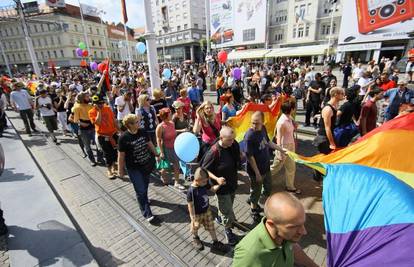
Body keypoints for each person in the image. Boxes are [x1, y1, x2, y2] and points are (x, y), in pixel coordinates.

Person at [233, 192, 318, 267]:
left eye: (302, 223)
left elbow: (292, 248)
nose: (304, 232)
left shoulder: (286, 235)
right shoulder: (248, 255)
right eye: (293, 227)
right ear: (271, 224)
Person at [201, 126, 241, 245]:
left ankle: (221, 217)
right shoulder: (213, 152)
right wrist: (216, 179)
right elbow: (204, 169)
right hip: (222, 188)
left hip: (232, 183)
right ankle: (228, 231)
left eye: (233, 139)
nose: (232, 142)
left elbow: (236, 158)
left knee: (229, 205)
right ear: (221, 138)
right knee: (227, 210)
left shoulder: (233, 145)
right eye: (229, 140)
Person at [118, 114, 159, 223]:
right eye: (136, 122)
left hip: (146, 164)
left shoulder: (142, 132)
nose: (139, 123)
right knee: (140, 190)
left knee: (144, 187)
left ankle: (144, 199)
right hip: (134, 168)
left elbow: (149, 143)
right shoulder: (123, 138)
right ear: (129, 125)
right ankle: (147, 213)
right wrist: (120, 170)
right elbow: (121, 156)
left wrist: (156, 154)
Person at [245, 111, 285, 222]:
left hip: (266, 166)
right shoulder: (249, 136)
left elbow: (268, 142)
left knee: (267, 188)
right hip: (255, 171)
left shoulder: (263, 129)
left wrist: (280, 149)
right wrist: (257, 173)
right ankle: (253, 209)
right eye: (252, 123)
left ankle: (255, 199)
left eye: (257, 123)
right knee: (256, 190)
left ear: (263, 122)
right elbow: (250, 157)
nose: (254, 125)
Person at [187, 167, 228, 253]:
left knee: (211, 226)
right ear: (197, 180)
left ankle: (215, 242)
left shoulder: (203, 184)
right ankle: (196, 238)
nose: (206, 183)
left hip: (206, 210)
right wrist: (193, 218)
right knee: (195, 227)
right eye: (204, 182)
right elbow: (190, 206)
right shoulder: (191, 191)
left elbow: (212, 189)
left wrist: (220, 184)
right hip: (197, 214)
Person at [271, 101, 300, 194]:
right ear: (291, 109)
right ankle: (262, 179)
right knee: (276, 167)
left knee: (291, 167)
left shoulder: (289, 117)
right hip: (284, 147)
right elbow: (278, 138)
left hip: (291, 145)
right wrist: (279, 152)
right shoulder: (282, 122)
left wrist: (295, 123)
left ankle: (290, 187)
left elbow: (294, 124)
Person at [89, 95, 119, 179]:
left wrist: (120, 130)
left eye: (102, 103)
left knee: (115, 152)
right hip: (103, 136)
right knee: (107, 154)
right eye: (98, 104)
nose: (101, 105)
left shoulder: (108, 108)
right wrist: (99, 112)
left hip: (113, 134)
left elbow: (114, 120)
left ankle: (114, 166)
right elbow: (97, 123)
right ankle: (109, 170)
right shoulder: (91, 112)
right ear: (94, 104)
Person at [155, 108, 185, 189]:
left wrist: (182, 131)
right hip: (165, 148)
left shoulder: (172, 123)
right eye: (170, 114)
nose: (172, 115)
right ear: (165, 116)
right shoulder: (160, 127)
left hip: (174, 148)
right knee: (165, 167)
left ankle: (177, 182)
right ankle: (163, 176)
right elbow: (158, 139)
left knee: (176, 165)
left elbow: (173, 132)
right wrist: (161, 152)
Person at [73, 92, 102, 166]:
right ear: (82, 98)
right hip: (83, 129)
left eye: (89, 96)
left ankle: (100, 158)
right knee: (87, 145)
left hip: (92, 126)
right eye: (87, 97)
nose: (89, 98)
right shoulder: (77, 107)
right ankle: (92, 160)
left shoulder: (90, 105)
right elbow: (76, 120)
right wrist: (82, 124)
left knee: (98, 143)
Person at [315, 87, 345, 154]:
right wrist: (332, 143)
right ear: (335, 94)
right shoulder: (328, 109)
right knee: (325, 160)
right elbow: (327, 128)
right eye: (342, 94)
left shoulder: (334, 106)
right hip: (324, 138)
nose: (343, 95)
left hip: (329, 136)